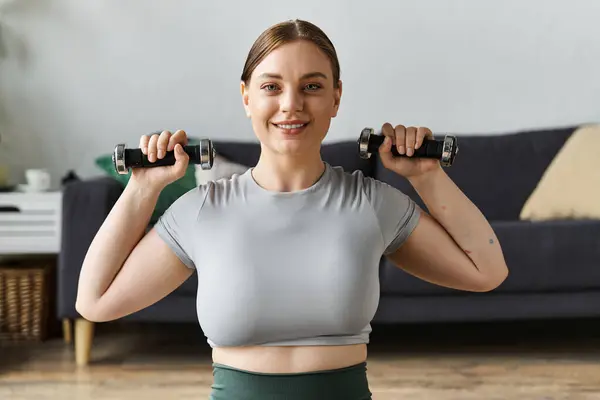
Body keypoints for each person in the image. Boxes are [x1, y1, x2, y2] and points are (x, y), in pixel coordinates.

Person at [76, 19, 509, 399]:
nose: (291, 104)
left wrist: (426, 176)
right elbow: (94, 302)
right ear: (246, 97)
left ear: (336, 99)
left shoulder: (372, 203)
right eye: (271, 86)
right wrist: (142, 189)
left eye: (312, 87)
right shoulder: (201, 211)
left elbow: (486, 271)